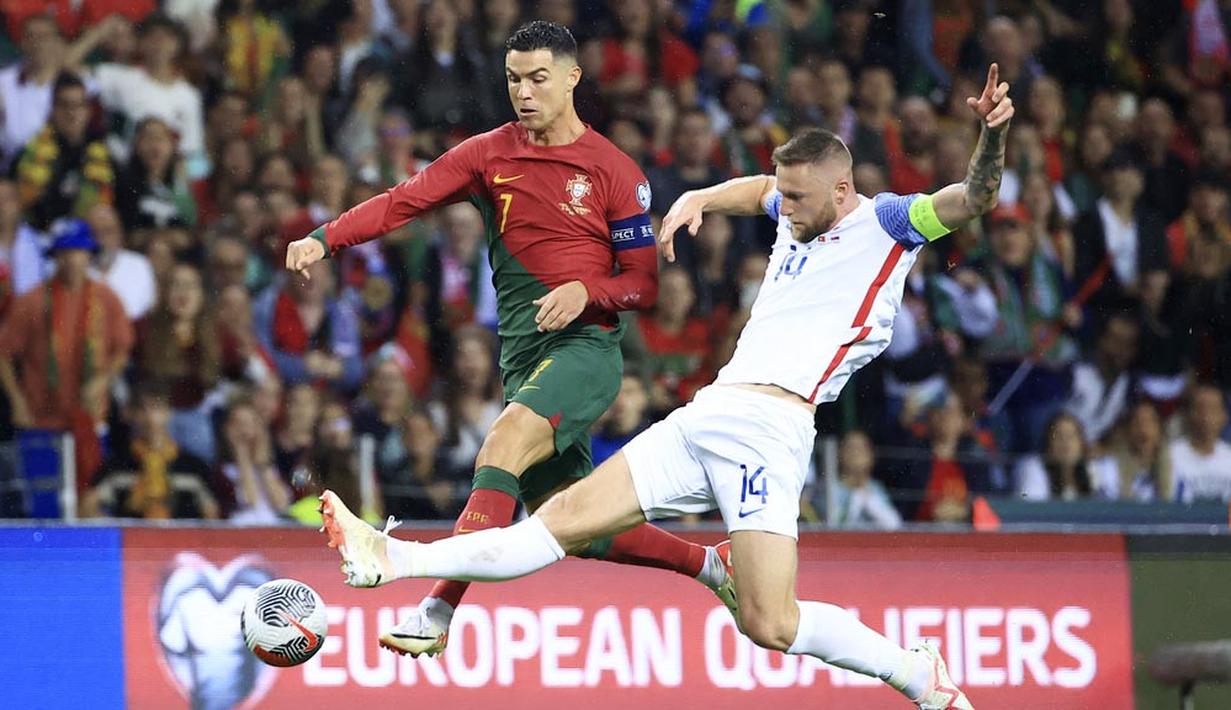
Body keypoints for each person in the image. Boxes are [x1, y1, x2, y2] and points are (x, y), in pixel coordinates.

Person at [320, 62, 1019, 710]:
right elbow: (759, 192)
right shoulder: (792, 207)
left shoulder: (888, 226)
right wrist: (703, 198)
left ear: (842, 191)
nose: (786, 211)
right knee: (558, 521)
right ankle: (396, 557)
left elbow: (974, 196)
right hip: (710, 411)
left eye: (799, 199)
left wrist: (991, 137)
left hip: (772, 431)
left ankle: (912, 672)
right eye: (783, 196)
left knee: (769, 624)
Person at [286, 21, 734, 658]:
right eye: (513, 80)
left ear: (572, 78)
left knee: (502, 443)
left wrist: (589, 291)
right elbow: (402, 201)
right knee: (569, 519)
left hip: (587, 352)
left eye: (537, 78)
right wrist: (324, 238)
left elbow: (642, 285)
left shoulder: (614, 169)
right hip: (523, 359)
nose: (523, 92)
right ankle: (713, 567)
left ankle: (435, 606)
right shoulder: (487, 154)